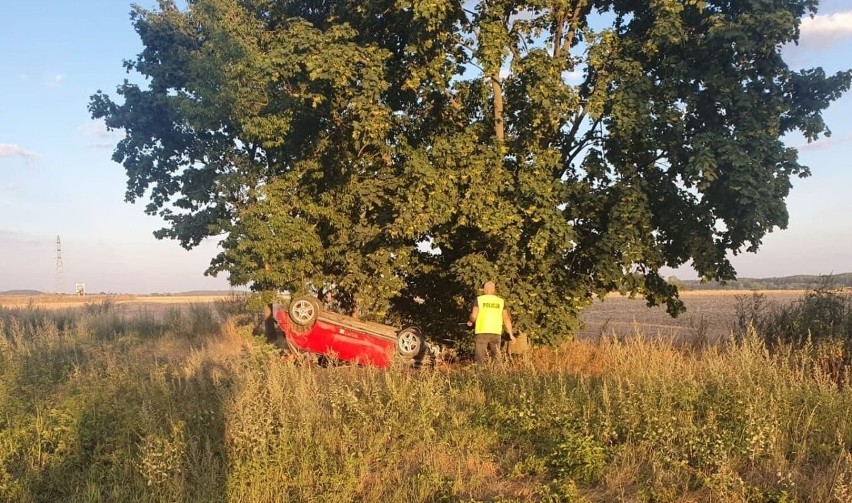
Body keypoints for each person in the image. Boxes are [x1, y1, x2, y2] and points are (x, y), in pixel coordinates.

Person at [466, 281, 515, 364]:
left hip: (482, 331)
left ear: (484, 290)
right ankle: (496, 375)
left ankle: (478, 375)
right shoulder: (500, 301)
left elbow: (474, 316)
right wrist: (511, 334)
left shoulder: (479, 300)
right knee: (496, 357)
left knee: (479, 358)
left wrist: (470, 322)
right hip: (496, 332)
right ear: (494, 290)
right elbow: (506, 318)